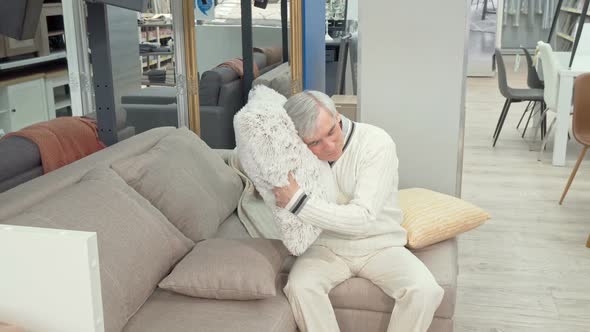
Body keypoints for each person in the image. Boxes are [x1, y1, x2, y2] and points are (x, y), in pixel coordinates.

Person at [273, 90, 444, 332]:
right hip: (325, 246)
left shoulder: (376, 143)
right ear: (299, 142)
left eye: (331, 131)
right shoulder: (296, 156)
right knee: (300, 286)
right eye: (314, 142)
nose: (329, 146)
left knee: (426, 291)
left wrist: (297, 203)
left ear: (338, 116)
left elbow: (362, 219)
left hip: (380, 245)